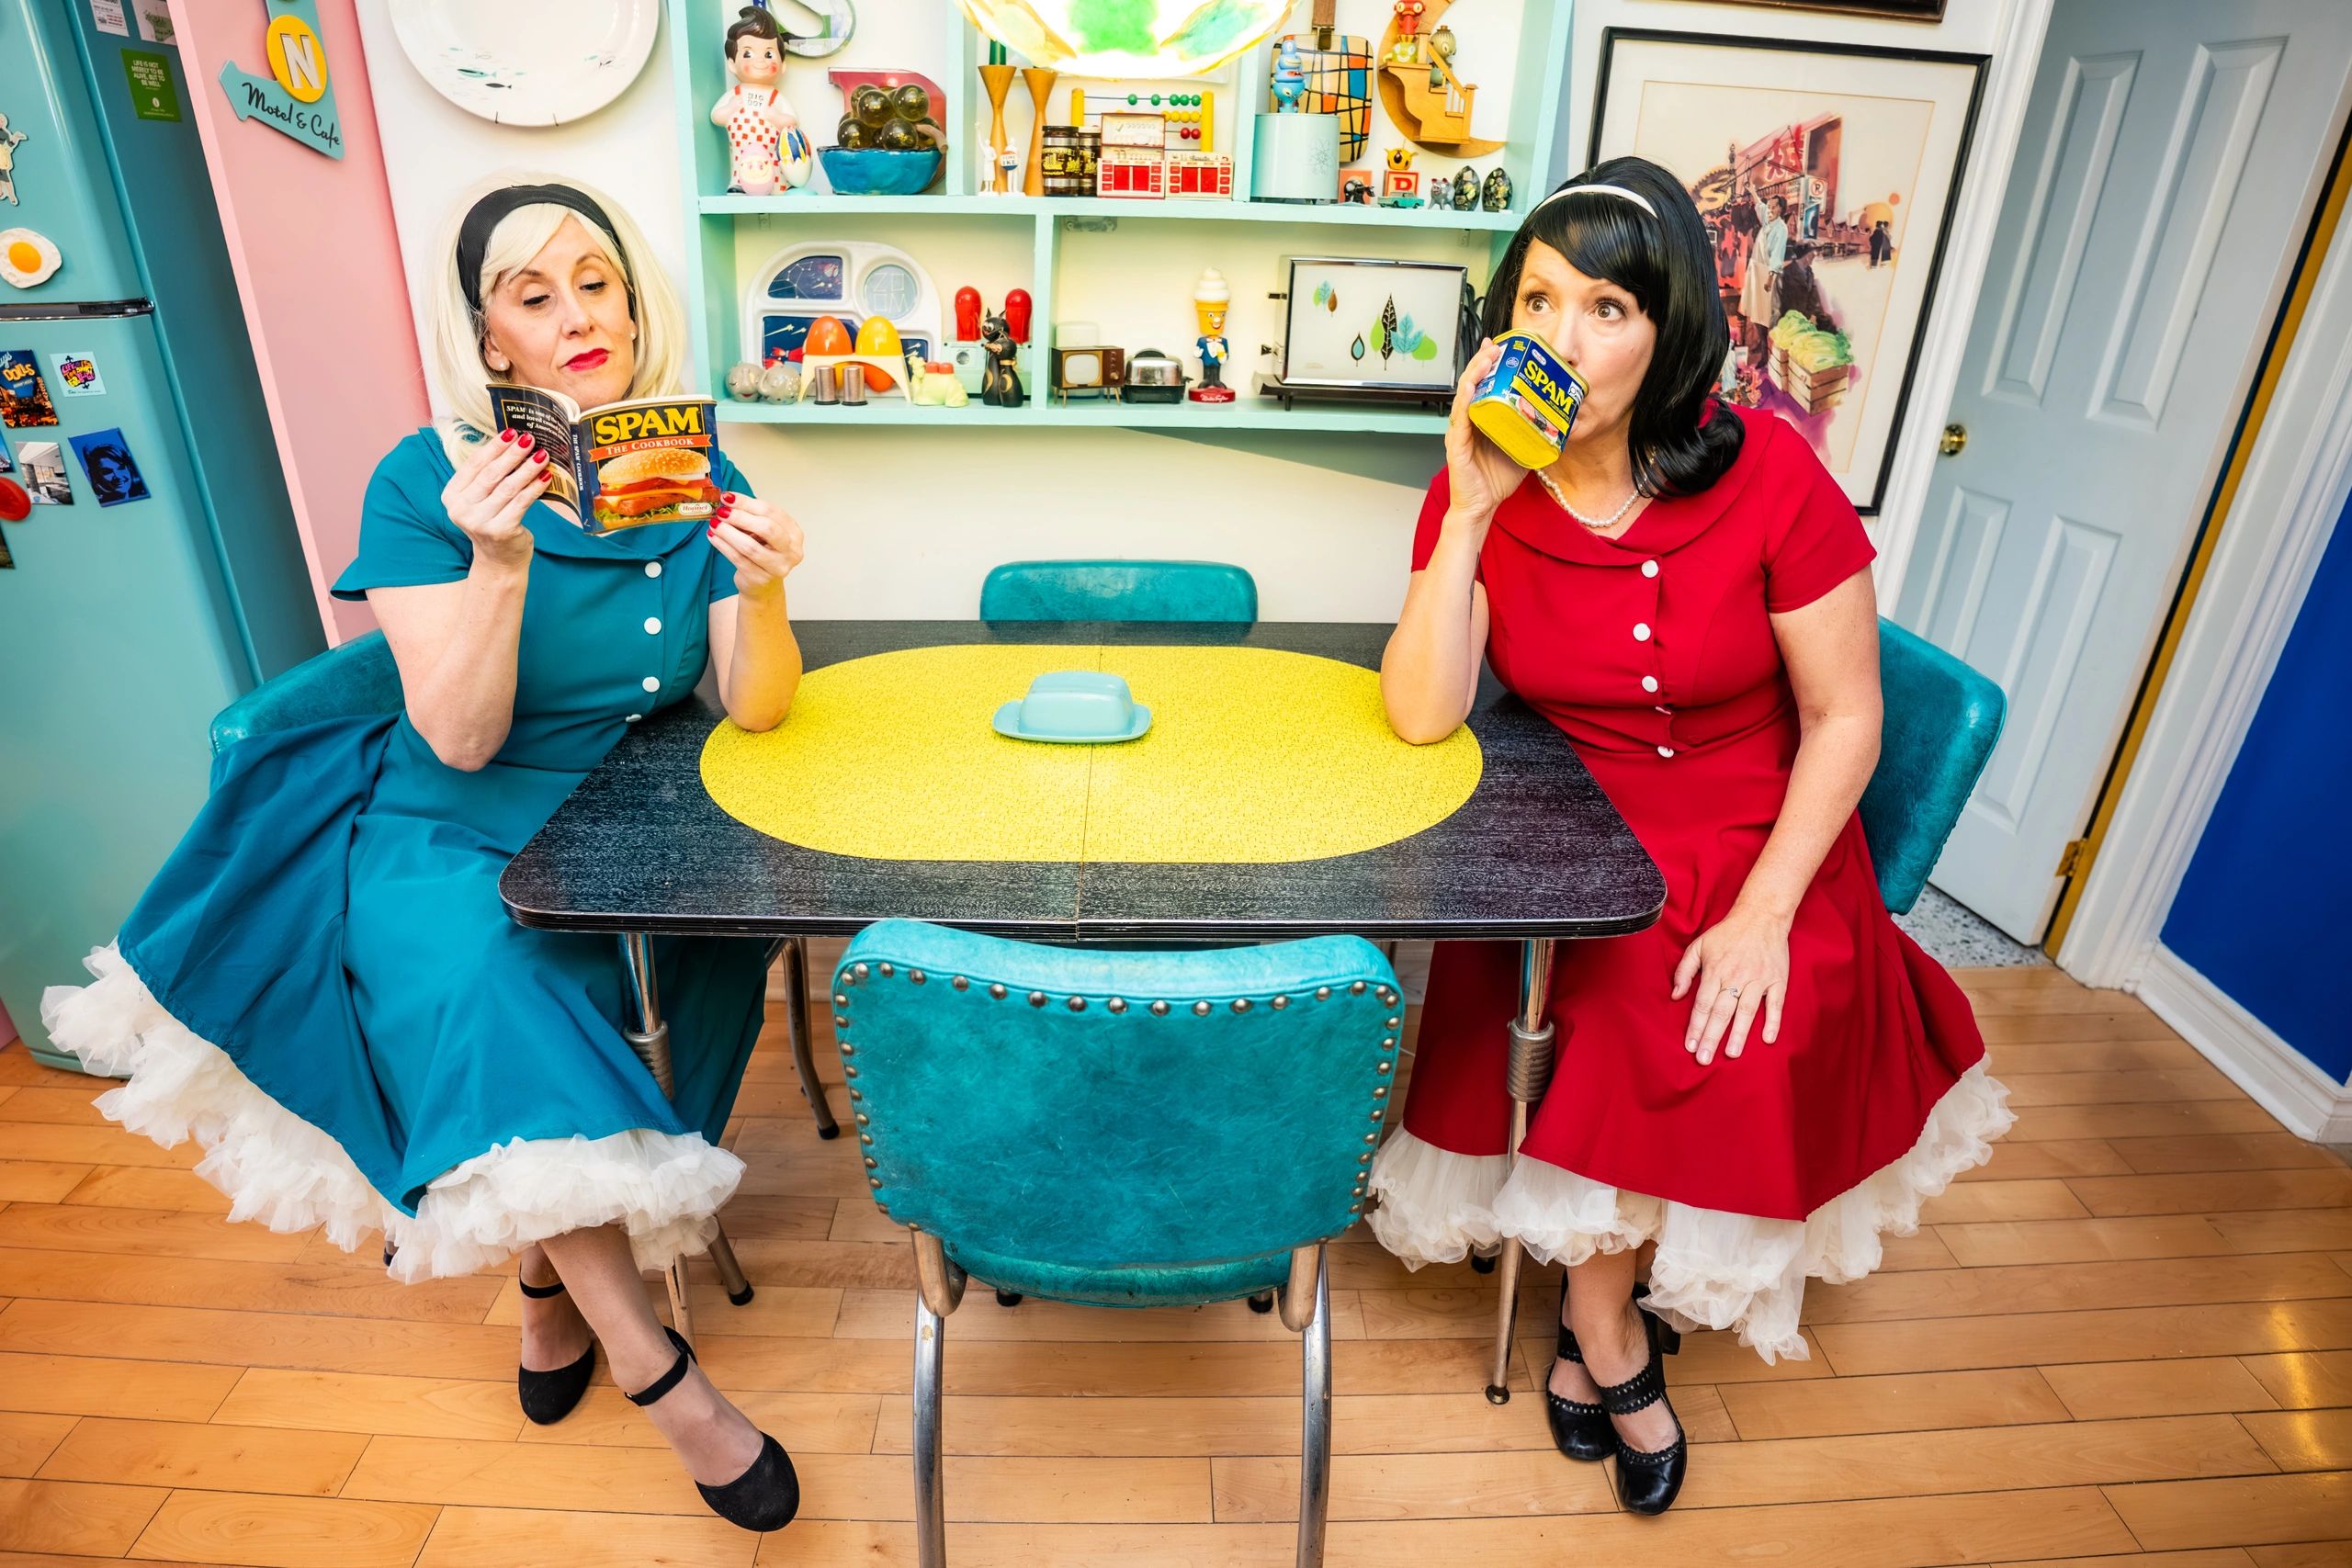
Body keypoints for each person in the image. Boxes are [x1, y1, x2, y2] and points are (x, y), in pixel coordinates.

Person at [42, 175, 808, 1534]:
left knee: (696, 959)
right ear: (489, 337)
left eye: (596, 280)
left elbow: (753, 706)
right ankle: (665, 1374)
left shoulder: (696, 468)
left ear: (634, 302)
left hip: (631, 817)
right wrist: (496, 560)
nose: (578, 314)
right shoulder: (419, 482)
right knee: (485, 987)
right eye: (533, 293)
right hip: (448, 822)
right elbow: (455, 738)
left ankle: (541, 1285)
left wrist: (761, 582)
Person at [1369, 157, 2008, 1516]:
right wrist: (1471, 501)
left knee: (1705, 1014)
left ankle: (1594, 1329)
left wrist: (1768, 908)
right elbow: (1423, 717)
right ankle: (1605, 1329)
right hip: (1574, 827)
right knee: (1581, 983)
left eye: (1606, 305)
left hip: (1760, 824)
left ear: (1672, 333)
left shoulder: (1769, 469)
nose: (1559, 334)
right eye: (1535, 300)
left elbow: (1845, 718)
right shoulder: (1482, 482)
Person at [1739, 192, 1788, 351]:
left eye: (1774, 207)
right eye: (1769, 207)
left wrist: (1770, 277)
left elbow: (1777, 255)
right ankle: (1760, 344)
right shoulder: (1766, 221)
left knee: (1765, 315)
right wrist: (1753, 190)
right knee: (1754, 311)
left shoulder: (1781, 229)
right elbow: (1760, 205)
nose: (1770, 210)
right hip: (1755, 271)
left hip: (1767, 274)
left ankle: (1766, 351)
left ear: (1780, 209)